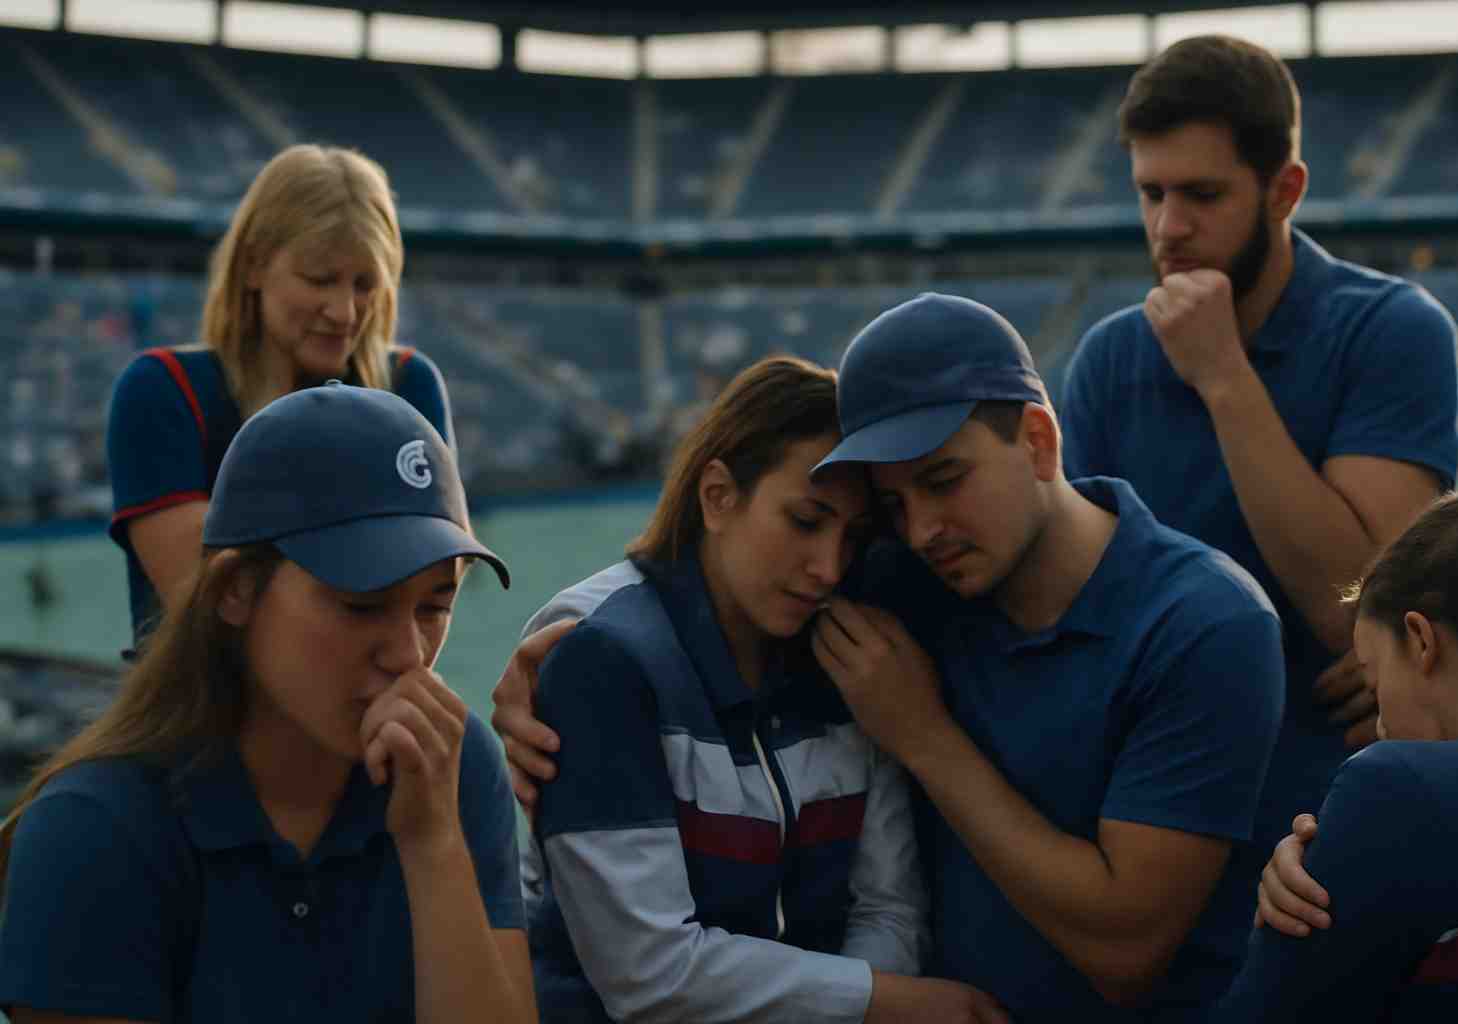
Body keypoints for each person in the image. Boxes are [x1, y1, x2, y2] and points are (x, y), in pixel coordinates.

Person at [501, 295, 1286, 1020]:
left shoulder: (1206, 625)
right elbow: (699, 584)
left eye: (944, 481)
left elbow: (1126, 951)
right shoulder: (900, 578)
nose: (920, 530)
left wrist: (924, 735)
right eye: (894, 505)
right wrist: (561, 641)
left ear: (1039, 441)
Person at [1059, 34, 1458, 882]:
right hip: (1150, 816)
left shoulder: (1391, 330)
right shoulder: (1108, 360)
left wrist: (1221, 374)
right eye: (1151, 193)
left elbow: (1354, 609)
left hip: (1333, 827)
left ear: (1285, 191)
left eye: (1202, 195)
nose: (1169, 228)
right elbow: (1086, 621)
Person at [0, 383, 535, 1023]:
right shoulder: (95, 829)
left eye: (434, 607)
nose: (410, 655)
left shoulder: (452, 767)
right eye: (361, 604)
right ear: (235, 591)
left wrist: (433, 844)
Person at [524, 355, 1005, 1023]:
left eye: (855, 537)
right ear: (717, 494)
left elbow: (887, 908)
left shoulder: (853, 655)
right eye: (806, 521)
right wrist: (889, 1004)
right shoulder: (608, 658)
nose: (829, 566)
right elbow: (650, 974)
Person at [107, 143, 454, 647]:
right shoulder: (163, 390)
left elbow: (435, 588)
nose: (345, 312)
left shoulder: (410, 384)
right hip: (202, 717)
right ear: (252, 266)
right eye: (319, 279)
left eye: (365, 284)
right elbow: (210, 601)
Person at [1216, 488, 1458, 1020]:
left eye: (1374, 681)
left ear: (1420, 640)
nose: (1381, 727)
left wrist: (1309, 896)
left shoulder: (1400, 792)